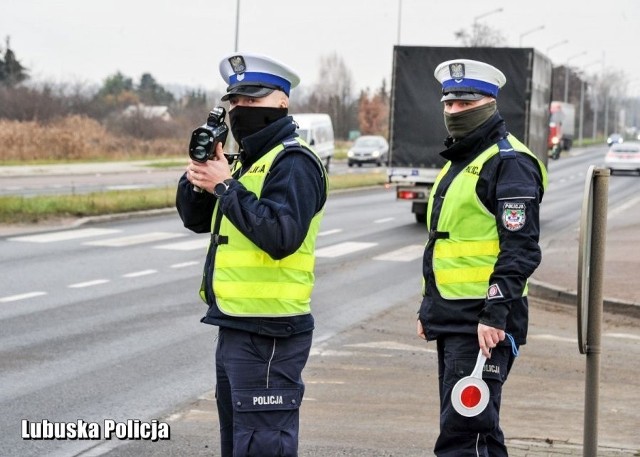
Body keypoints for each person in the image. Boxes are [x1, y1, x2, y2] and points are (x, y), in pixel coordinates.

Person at [176, 52, 328, 457]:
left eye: (252, 100)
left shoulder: (294, 162)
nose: (241, 110)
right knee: (239, 445)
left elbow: (282, 235)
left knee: (262, 446)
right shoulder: (246, 164)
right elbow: (194, 219)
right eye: (236, 102)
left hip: (272, 332)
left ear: (282, 101)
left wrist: (225, 187)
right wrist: (199, 174)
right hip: (236, 325)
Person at [416, 59, 548, 456]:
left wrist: (494, 312)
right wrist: (430, 307)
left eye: (464, 104)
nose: (453, 111)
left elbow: (521, 248)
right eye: (449, 104)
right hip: (454, 318)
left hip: (483, 324)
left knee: (462, 436)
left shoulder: (509, 162)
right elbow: (445, 246)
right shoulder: (462, 161)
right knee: (479, 433)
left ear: (489, 103)